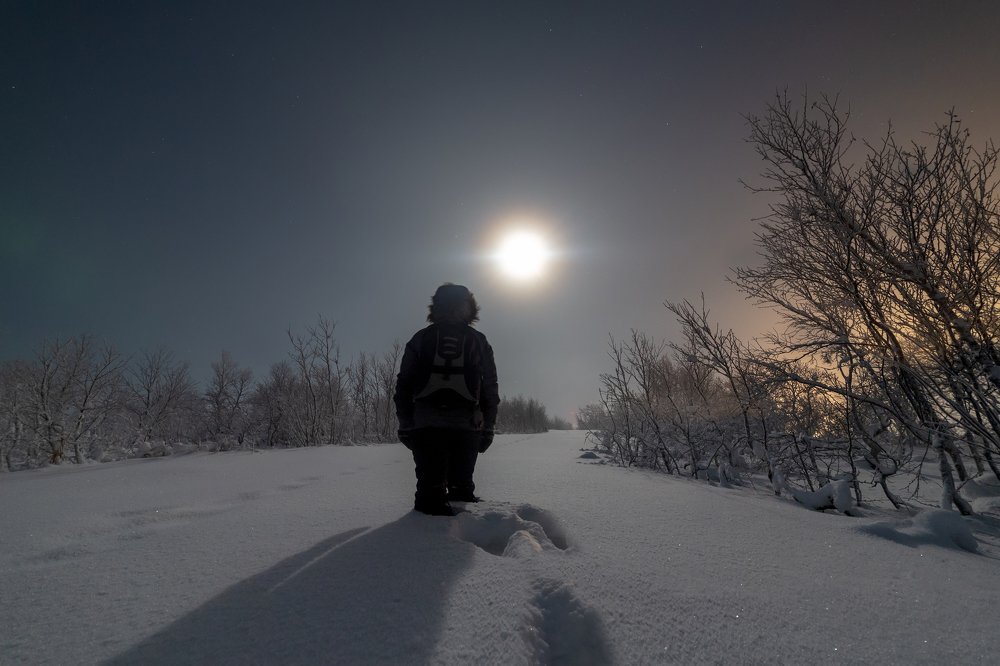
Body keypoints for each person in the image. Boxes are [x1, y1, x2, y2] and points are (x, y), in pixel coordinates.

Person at [394, 284, 500, 516]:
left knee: (429, 497)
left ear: (436, 307)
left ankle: (422, 544)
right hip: (468, 424)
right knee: (461, 492)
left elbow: (403, 384)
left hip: (425, 423)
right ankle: (461, 540)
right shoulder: (479, 340)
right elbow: (490, 387)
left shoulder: (421, 338)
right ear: (470, 308)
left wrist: (405, 423)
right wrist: (489, 426)